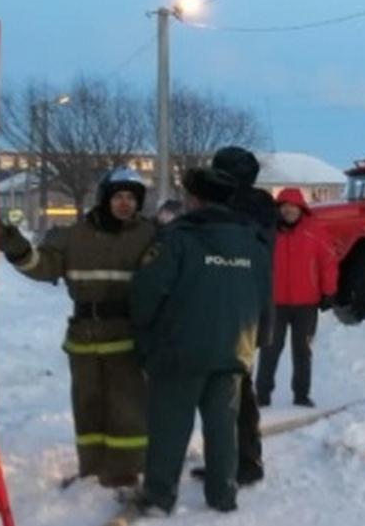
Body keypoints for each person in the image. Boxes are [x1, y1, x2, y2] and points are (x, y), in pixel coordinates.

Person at [0, 168, 155, 489]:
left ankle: (125, 468)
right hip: (84, 336)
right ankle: (91, 466)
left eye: (131, 198)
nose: (125, 203)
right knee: (87, 404)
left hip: (126, 336)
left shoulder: (149, 236)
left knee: (126, 406)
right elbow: (44, 266)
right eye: (119, 196)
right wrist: (15, 246)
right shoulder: (74, 235)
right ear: (105, 198)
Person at [128, 166, 271, 514]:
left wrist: (144, 338)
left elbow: (147, 292)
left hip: (180, 351)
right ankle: (223, 495)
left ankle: (160, 496)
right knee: (223, 426)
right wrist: (257, 340)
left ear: (193, 199)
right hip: (234, 350)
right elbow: (265, 296)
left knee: (170, 426)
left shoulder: (177, 238)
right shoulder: (253, 242)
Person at [207, 146, 276, 486]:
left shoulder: (246, 212)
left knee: (236, 388)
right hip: (240, 307)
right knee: (227, 387)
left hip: (238, 309)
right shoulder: (255, 208)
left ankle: (246, 461)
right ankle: (228, 458)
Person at [258, 188, 337, 408]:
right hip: (275, 303)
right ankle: (262, 395)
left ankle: (301, 395)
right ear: (279, 209)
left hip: (306, 304)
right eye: (285, 206)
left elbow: (328, 261)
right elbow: (258, 263)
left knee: (303, 351)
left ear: (301, 208)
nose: (289, 210)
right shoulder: (268, 233)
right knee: (269, 350)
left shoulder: (315, 231)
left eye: (293, 206)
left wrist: (329, 291)